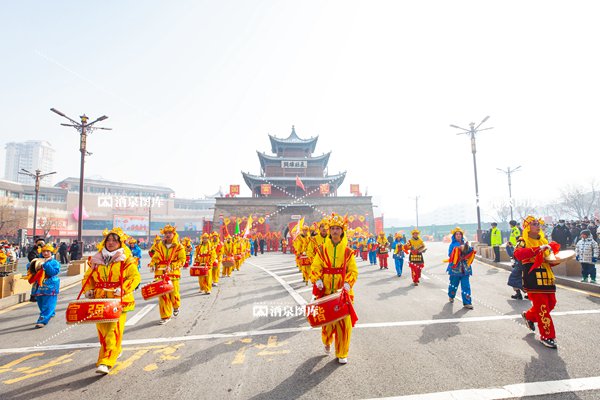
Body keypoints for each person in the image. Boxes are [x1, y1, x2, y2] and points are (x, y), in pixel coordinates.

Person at [82, 228, 141, 374]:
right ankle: (115, 350)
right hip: (100, 299)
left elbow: (135, 277)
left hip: (118, 299)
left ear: (120, 243)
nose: (111, 243)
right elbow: (88, 278)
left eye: (114, 240)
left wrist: (124, 289)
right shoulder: (96, 259)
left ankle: (106, 361)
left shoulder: (126, 259)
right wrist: (88, 289)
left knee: (113, 330)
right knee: (102, 331)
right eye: (108, 240)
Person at [310, 213, 358, 364]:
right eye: (333, 228)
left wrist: (348, 283)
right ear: (329, 231)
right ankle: (327, 340)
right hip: (325, 293)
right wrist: (317, 278)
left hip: (342, 293)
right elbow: (316, 265)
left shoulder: (348, 252)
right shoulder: (322, 249)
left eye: (338, 228)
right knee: (327, 324)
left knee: (345, 324)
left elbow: (353, 271)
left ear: (342, 231)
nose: (335, 231)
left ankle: (342, 352)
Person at [514, 216, 559, 349]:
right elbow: (518, 254)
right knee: (543, 308)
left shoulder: (544, 240)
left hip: (547, 277)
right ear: (527, 227)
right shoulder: (522, 241)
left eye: (538, 224)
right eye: (534, 224)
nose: (537, 226)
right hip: (532, 278)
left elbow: (550, 259)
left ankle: (528, 316)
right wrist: (538, 249)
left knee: (551, 303)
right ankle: (547, 336)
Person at [149, 225, 186, 324]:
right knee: (163, 295)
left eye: (170, 233)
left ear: (174, 234)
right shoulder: (159, 246)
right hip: (160, 273)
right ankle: (165, 316)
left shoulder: (179, 246)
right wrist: (153, 264)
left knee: (173, 293)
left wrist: (173, 266)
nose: (168, 235)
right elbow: (155, 258)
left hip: (173, 273)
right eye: (166, 233)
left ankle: (176, 306)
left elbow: (182, 260)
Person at [27, 243, 60, 328]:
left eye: (48, 251)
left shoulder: (54, 262)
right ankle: (50, 312)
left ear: (51, 252)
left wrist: (45, 264)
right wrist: (32, 264)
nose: (45, 253)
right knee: (41, 303)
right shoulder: (38, 260)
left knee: (48, 303)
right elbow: (30, 269)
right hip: (39, 285)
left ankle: (42, 320)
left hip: (50, 285)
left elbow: (53, 272)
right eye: (44, 251)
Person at [445, 228, 475, 309]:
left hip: (465, 269)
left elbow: (470, 252)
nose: (458, 235)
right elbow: (450, 255)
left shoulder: (465, 243)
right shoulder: (452, 245)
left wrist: (468, 249)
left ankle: (467, 302)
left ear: (462, 235)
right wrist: (457, 250)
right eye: (457, 234)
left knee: (466, 286)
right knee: (453, 285)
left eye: (460, 234)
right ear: (454, 236)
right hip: (455, 269)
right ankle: (451, 296)